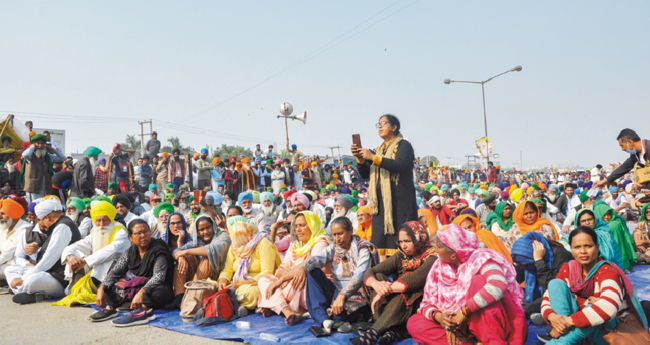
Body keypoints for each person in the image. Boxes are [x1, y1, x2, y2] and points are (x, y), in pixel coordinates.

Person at [408, 224, 527, 344]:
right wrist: (439, 317)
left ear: (454, 254)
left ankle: (490, 341)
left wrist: (464, 312)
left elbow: (498, 285)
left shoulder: (480, 258)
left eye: (439, 247)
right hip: (460, 328)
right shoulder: (439, 267)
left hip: (492, 328)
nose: (435, 250)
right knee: (414, 322)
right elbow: (427, 303)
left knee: (478, 282)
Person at [540, 227, 649, 344]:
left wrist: (568, 321)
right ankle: (565, 336)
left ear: (597, 248)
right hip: (577, 328)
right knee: (555, 284)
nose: (582, 251)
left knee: (594, 307)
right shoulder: (569, 269)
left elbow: (608, 309)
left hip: (609, 330)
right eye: (577, 247)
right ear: (571, 249)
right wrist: (554, 318)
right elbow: (548, 298)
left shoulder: (607, 271)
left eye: (588, 246)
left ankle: (560, 342)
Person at [350, 221, 435, 345]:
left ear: (419, 238)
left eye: (407, 241)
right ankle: (391, 330)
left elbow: (414, 279)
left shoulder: (432, 256)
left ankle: (375, 332)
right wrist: (376, 285)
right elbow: (371, 271)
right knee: (378, 277)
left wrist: (384, 291)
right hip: (396, 307)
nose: (403, 246)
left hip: (417, 304)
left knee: (407, 290)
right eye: (400, 242)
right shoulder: (401, 256)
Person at [353, 114, 417, 258]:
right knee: (381, 246)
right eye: (378, 124)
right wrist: (361, 159)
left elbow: (399, 165)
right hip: (381, 207)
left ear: (394, 127)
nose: (380, 126)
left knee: (403, 243)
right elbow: (365, 174)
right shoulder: (378, 150)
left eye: (383, 123)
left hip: (400, 205)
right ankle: (384, 277)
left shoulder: (404, 145)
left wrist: (372, 157)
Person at [301, 217, 378, 335]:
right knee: (313, 272)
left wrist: (343, 295)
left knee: (338, 316)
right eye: (334, 235)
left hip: (358, 295)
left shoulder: (363, 248)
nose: (337, 238)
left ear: (351, 230)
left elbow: (360, 276)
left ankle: (352, 317)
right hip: (337, 295)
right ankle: (325, 320)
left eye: (340, 234)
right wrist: (302, 268)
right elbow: (317, 259)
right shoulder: (334, 248)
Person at [257, 211, 331, 326]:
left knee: (301, 279)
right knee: (263, 280)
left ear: (312, 225)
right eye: (296, 226)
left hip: (308, 286)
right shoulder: (295, 244)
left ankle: (276, 306)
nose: (298, 229)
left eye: (302, 225)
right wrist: (282, 272)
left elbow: (307, 267)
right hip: (290, 284)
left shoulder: (320, 243)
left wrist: (282, 278)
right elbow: (281, 267)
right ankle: (287, 311)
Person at [92, 219, 175, 321]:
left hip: (153, 288)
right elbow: (115, 272)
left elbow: (159, 276)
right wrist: (102, 288)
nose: (143, 235)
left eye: (146, 231)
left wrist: (141, 293)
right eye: (138, 233)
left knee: (162, 293)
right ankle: (137, 305)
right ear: (131, 237)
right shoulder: (130, 252)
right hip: (135, 288)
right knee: (109, 290)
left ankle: (136, 306)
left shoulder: (158, 249)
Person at [53, 201, 130, 307]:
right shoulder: (96, 232)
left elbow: (113, 250)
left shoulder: (120, 231)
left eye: (105, 220)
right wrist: (70, 256)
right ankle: (77, 286)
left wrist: (85, 261)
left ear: (111, 219)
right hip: (96, 272)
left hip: (119, 273)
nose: (102, 224)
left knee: (105, 259)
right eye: (98, 220)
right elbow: (73, 246)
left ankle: (99, 290)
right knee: (74, 253)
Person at [5, 198, 81, 303]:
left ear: (47, 218)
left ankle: (24, 290)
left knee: (31, 280)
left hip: (60, 279)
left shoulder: (63, 227)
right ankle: (30, 292)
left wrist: (23, 279)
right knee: (9, 270)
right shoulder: (57, 225)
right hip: (48, 273)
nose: (43, 227)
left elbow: (49, 259)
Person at [217, 216, 280, 315]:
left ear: (240, 232)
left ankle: (235, 303)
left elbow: (267, 272)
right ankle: (240, 305)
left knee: (251, 293)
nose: (229, 236)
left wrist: (240, 285)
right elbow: (227, 269)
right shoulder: (235, 245)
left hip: (257, 284)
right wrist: (222, 280)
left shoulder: (263, 243)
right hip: (237, 284)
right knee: (214, 287)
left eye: (230, 233)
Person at [168, 215, 230, 311]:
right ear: (197, 232)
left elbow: (211, 250)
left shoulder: (222, 236)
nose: (205, 232)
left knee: (206, 258)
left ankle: (190, 296)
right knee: (185, 257)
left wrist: (186, 251)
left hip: (217, 277)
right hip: (198, 279)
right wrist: (181, 257)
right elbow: (176, 252)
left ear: (213, 226)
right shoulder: (197, 241)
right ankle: (179, 296)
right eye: (202, 229)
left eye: (208, 227)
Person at [511, 232, 573, 323]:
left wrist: (539, 261)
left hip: (555, 294)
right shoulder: (528, 257)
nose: (525, 265)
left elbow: (553, 288)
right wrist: (517, 263)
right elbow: (513, 281)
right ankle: (541, 313)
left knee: (522, 308)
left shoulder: (561, 255)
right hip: (539, 293)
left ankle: (542, 313)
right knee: (511, 297)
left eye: (525, 263)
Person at [20, 134, 66, 202]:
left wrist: (53, 150)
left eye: (42, 143)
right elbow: (24, 154)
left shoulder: (48, 156)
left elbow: (63, 158)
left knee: (44, 206)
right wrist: (33, 147)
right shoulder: (30, 156)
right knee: (34, 206)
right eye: (38, 143)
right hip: (34, 187)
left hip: (45, 186)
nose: (40, 146)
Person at [594, 201, 637, 272]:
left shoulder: (613, 225)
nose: (607, 217)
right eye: (603, 215)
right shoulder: (597, 225)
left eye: (608, 214)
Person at [0, 199, 30, 281]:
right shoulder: (3, 226)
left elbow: (9, 253)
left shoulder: (25, 229)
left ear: (12, 215)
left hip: (14, 265)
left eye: (3, 214)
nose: (0, 216)